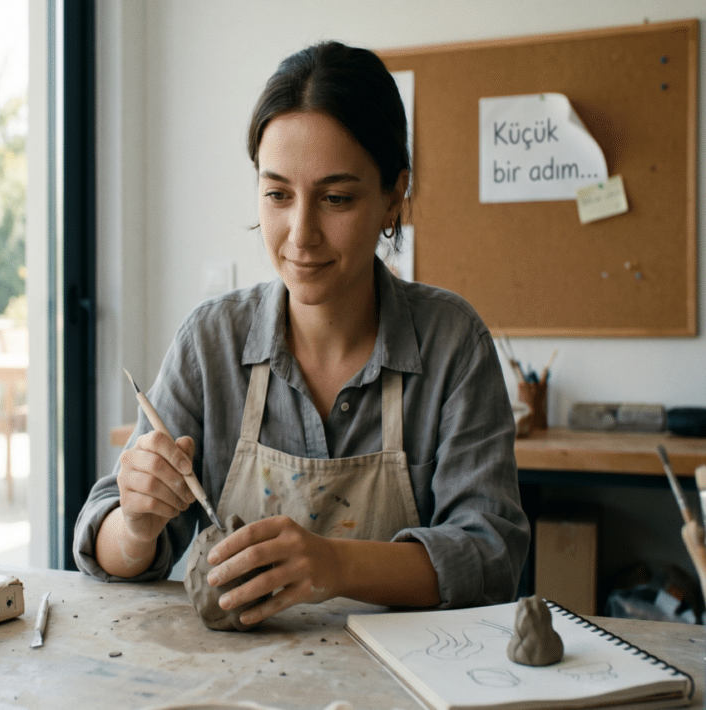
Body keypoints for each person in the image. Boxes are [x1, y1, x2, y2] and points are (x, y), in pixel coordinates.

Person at [73, 41, 529, 625]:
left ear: (394, 197)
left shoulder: (452, 344)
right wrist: (137, 525)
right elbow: (107, 546)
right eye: (277, 195)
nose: (300, 233)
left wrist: (335, 564)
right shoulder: (212, 342)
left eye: (336, 198)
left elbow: (491, 555)